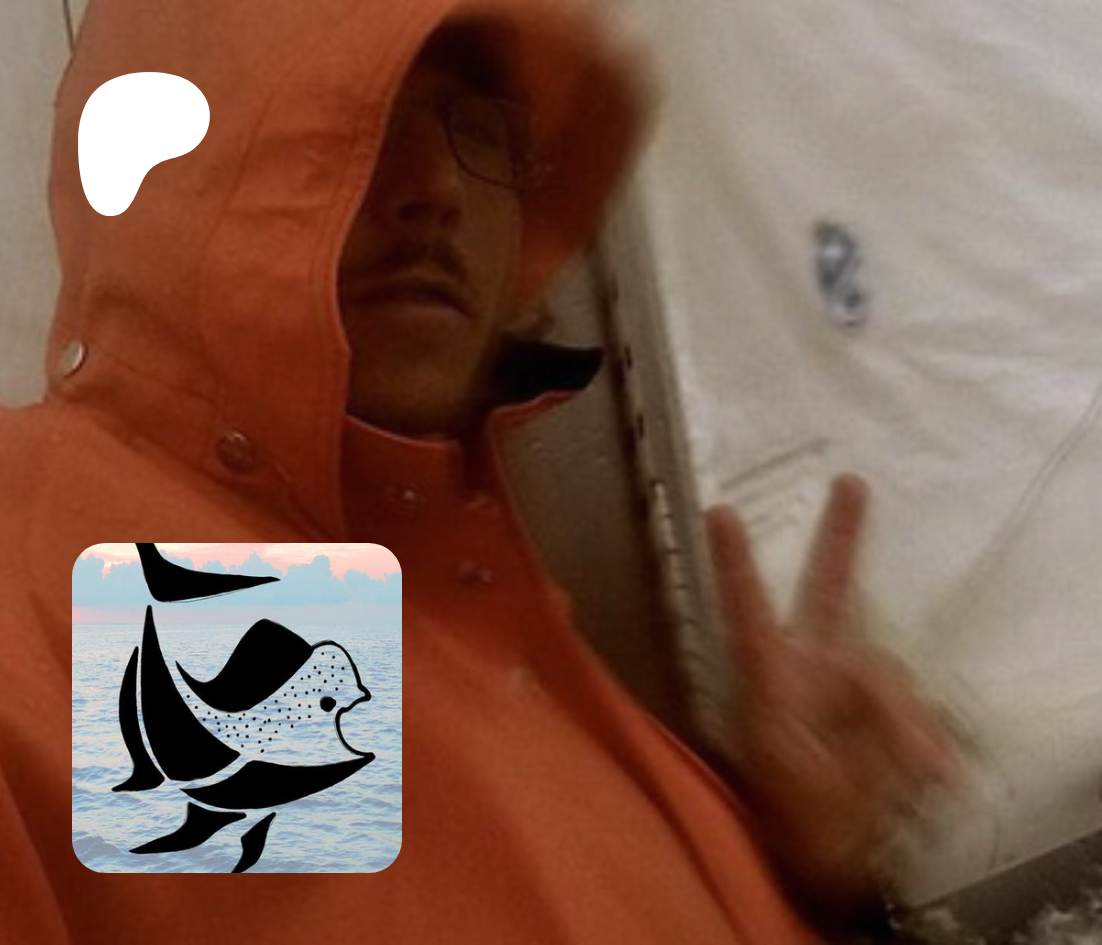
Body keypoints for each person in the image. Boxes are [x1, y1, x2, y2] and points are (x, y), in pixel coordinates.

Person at [0, 0, 957, 941]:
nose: (438, 187)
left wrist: (803, 874)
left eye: (479, 131)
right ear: (167, 165)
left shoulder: (447, 585)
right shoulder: (70, 572)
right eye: (356, 112)